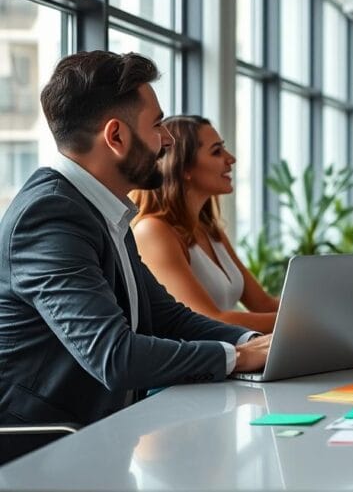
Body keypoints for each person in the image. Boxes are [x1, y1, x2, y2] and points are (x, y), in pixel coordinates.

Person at [0, 51, 270, 433]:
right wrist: (238, 356)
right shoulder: (49, 216)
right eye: (157, 124)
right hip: (46, 449)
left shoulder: (102, 207)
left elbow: (165, 317)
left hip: (99, 436)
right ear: (116, 136)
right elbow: (115, 355)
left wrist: (261, 342)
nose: (168, 139)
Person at [129, 116, 353, 331]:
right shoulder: (153, 231)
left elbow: (262, 304)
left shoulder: (210, 230)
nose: (230, 159)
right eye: (217, 151)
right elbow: (210, 319)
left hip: (223, 367)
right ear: (184, 168)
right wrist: (327, 317)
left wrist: (349, 307)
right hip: (181, 385)